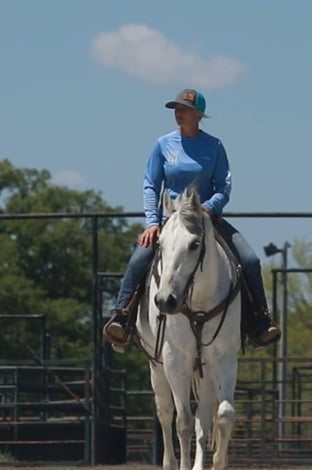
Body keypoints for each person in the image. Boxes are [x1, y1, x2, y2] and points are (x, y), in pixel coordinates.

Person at [103, 88, 281, 349]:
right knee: (140, 257)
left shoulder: (214, 146)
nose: (178, 113)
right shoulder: (163, 144)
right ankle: (123, 316)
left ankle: (260, 321)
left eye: (184, 109)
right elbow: (150, 184)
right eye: (176, 108)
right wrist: (152, 222)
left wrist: (209, 208)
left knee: (250, 260)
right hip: (169, 220)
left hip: (206, 218)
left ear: (198, 115)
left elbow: (224, 186)